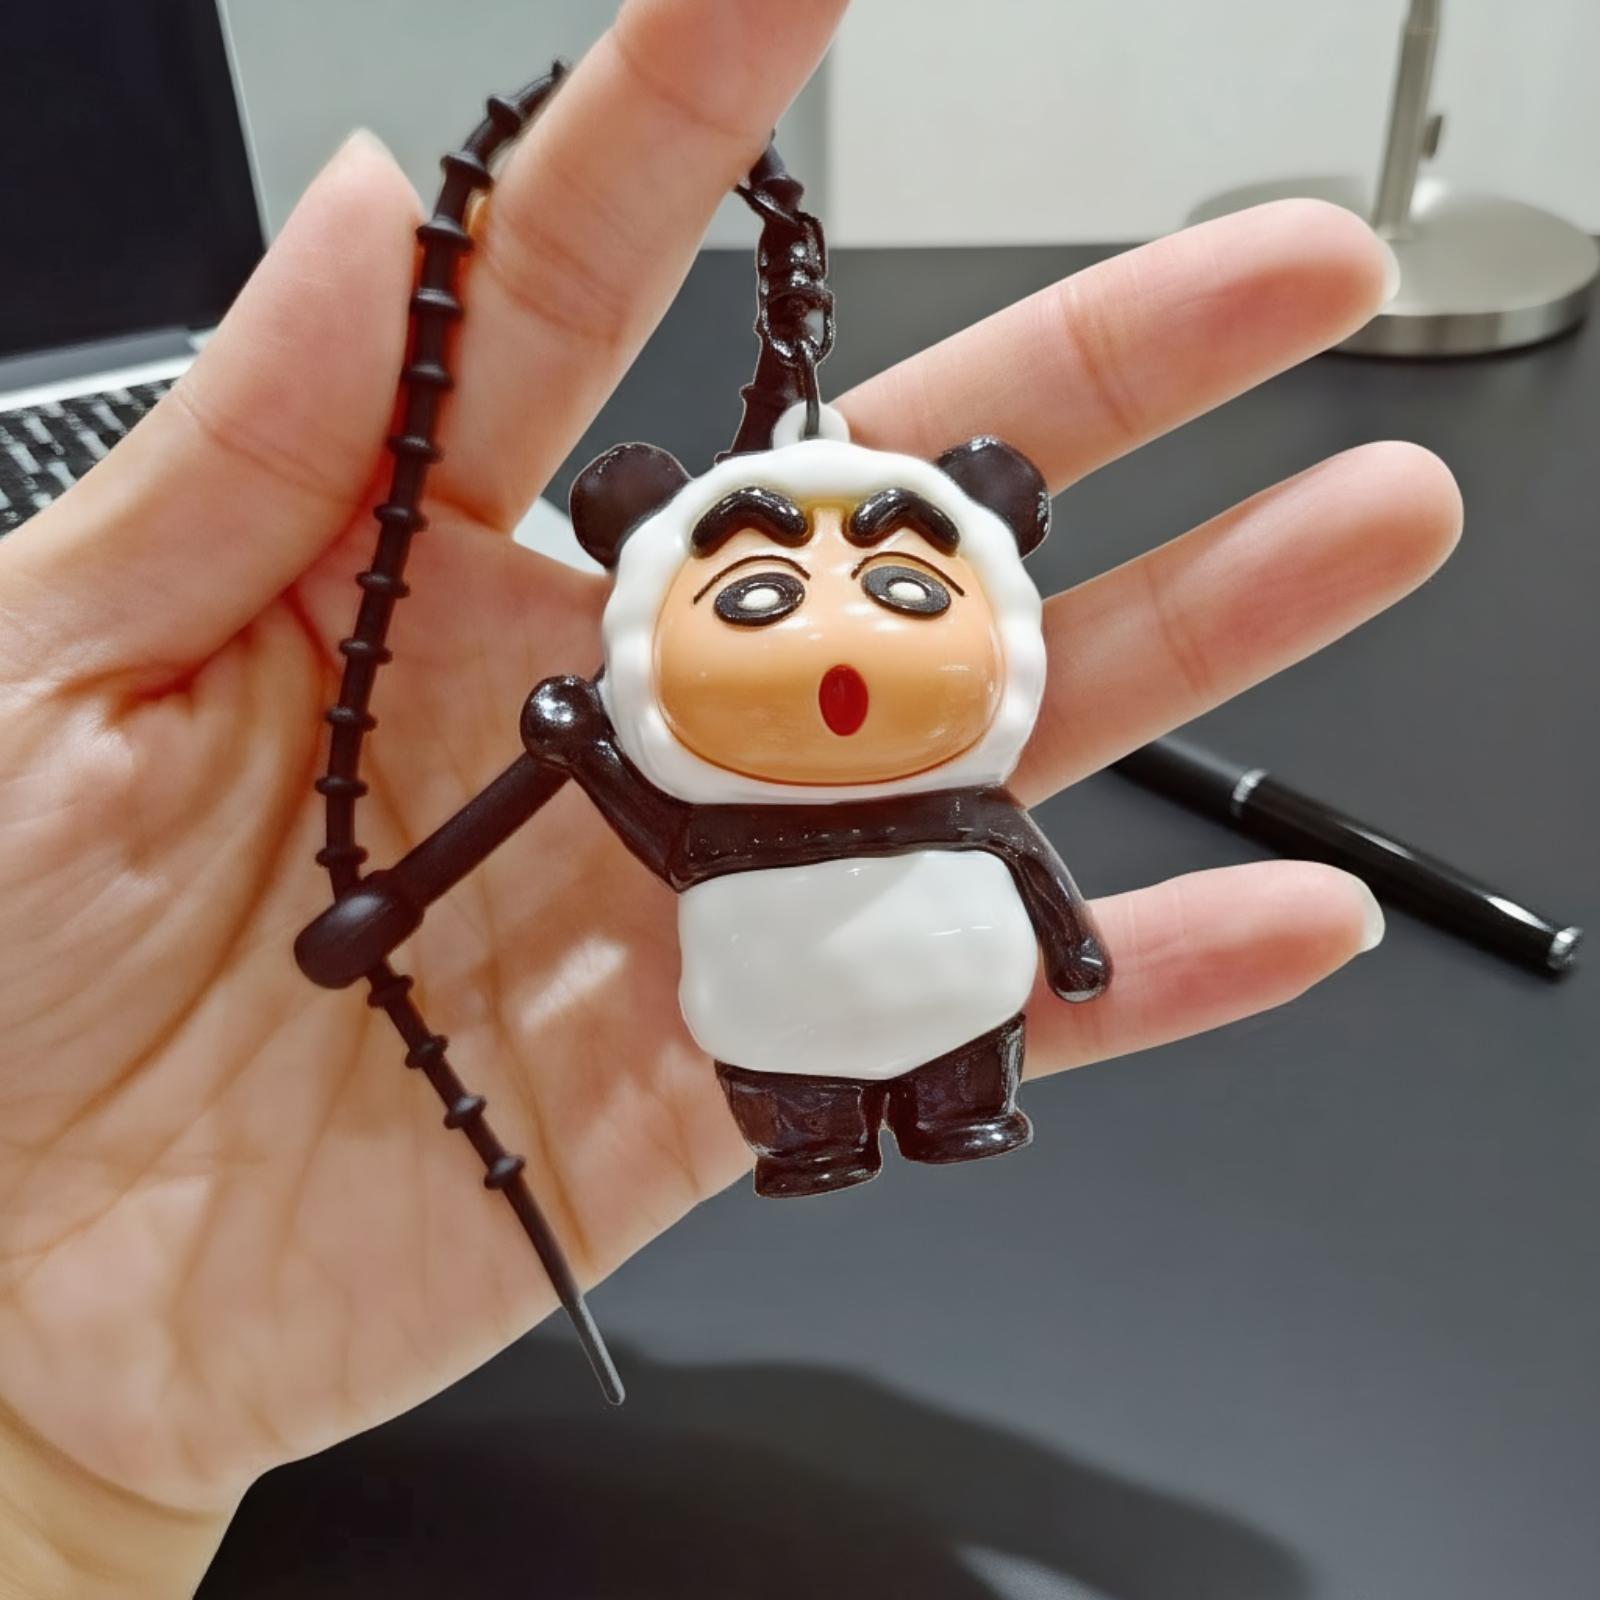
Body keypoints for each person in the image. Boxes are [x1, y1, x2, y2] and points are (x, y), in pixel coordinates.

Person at [0, 0, 1461, 1590]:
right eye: (759, 603)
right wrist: (577, 760)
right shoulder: (704, 804)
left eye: (901, 596)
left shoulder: (951, 792)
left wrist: (1071, 937)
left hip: (948, 989)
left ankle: (959, 1102)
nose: (833, 650)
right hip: (765, 1015)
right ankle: (811, 1135)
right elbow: (680, 836)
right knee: (789, 1080)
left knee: (949, 1051)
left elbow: (1004, 837)